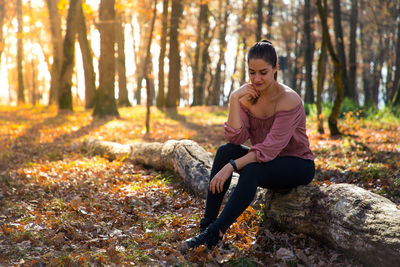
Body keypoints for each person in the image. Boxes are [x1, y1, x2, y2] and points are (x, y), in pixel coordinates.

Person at [181, 40, 315, 251]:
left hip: (297, 165)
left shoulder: (289, 100)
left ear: (275, 69)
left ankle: (216, 232)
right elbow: (236, 138)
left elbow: (270, 149)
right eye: (252, 72)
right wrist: (235, 100)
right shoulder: (247, 96)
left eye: (263, 72)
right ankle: (206, 227)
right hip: (267, 162)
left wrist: (231, 167)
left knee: (249, 168)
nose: (257, 78)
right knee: (225, 151)